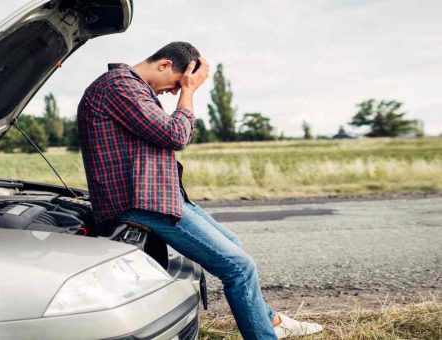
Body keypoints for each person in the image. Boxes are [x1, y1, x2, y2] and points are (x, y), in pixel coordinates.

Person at [77, 41, 323, 339]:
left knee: (232, 243)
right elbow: (174, 134)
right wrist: (189, 93)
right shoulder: (119, 86)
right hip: (142, 203)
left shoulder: (131, 87)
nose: (173, 92)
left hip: (159, 197)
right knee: (238, 267)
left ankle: (267, 321)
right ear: (165, 64)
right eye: (176, 84)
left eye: (180, 88)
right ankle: (264, 334)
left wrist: (185, 89)